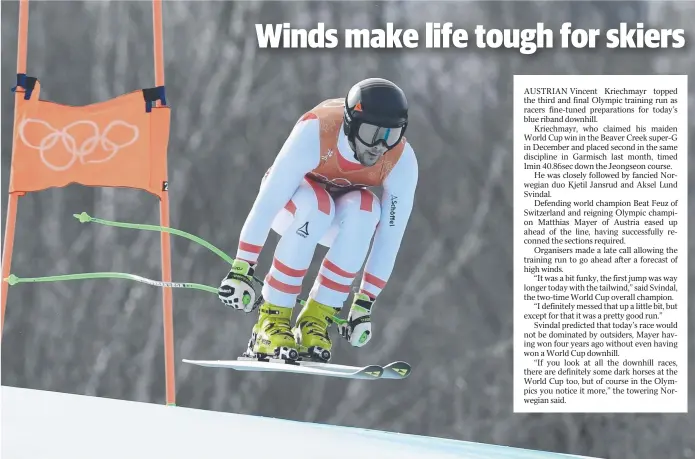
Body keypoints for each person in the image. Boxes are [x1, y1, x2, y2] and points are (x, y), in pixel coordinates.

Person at [217, 77, 419, 363]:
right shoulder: (319, 130)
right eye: (372, 132)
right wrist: (242, 266)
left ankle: (315, 320)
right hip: (291, 208)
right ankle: (271, 321)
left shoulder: (400, 160)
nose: (379, 146)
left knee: (367, 209)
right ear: (350, 124)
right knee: (317, 205)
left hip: (336, 220)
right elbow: (269, 200)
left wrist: (365, 301)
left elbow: (391, 234)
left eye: (392, 134)